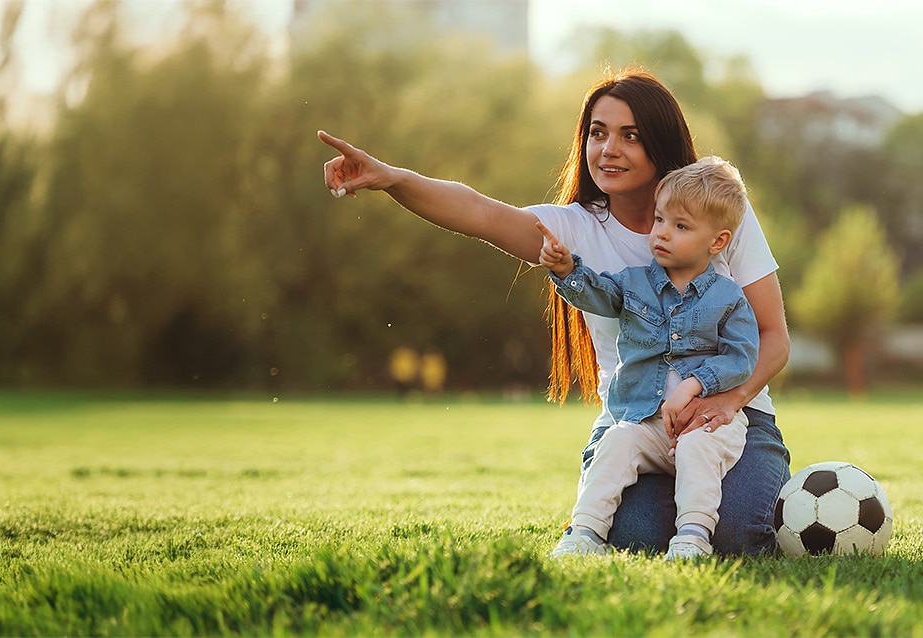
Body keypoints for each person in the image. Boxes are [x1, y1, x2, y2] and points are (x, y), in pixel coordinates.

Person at [320, 68, 792, 555]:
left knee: (736, 535)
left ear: (661, 142)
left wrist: (727, 400)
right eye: (597, 132)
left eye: (630, 136)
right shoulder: (575, 230)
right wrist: (394, 178)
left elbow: (773, 336)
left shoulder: (716, 207)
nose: (608, 149)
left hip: (732, 415)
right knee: (634, 537)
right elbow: (478, 212)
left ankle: (761, 491)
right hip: (635, 422)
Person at [539, 156, 758, 560]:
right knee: (617, 441)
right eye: (659, 220)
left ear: (718, 242)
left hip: (706, 422)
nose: (661, 233)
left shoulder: (728, 297)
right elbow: (599, 294)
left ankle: (692, 537)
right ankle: (584, 533)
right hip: (645, 420)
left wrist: (695, 385)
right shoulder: (634, 282)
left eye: (681, 226)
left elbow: (742, 355)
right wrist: (568, 269)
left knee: (697, 450)